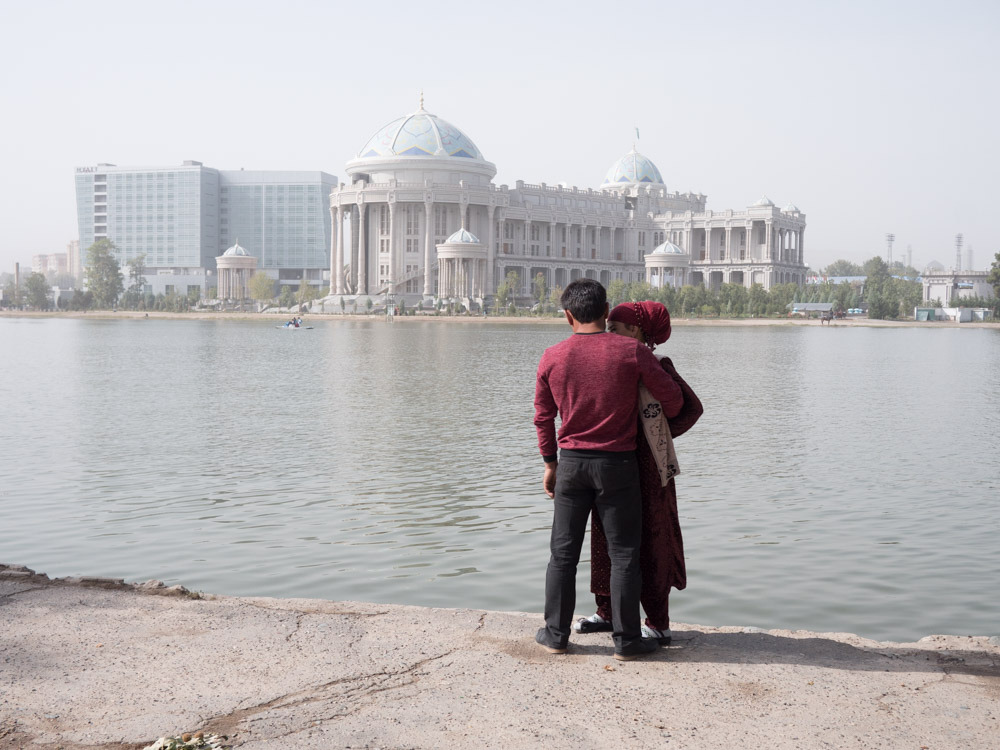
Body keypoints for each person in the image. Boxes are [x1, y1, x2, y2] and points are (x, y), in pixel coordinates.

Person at [533, 280, 685, 661]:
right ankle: (627, 641)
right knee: (623, 555)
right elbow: (673, 399)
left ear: (568, 316)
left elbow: (543, 417)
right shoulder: (631, 351)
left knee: (562, 555)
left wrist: (550, 463)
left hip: (570, 464)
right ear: (606, 312)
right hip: (618, 465)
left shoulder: (552, 356)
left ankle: (555, 635)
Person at [574, 301, 703, 645]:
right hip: (611, 460)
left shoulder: (657, 364)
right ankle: (607, 612)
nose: (608, 333)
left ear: (635, 332)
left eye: (615, 328)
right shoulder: (610, 358)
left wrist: (656, 435)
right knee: (605, 535)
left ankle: (658, 622)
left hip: (648, 470)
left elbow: (691, 408)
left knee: (651, 539)